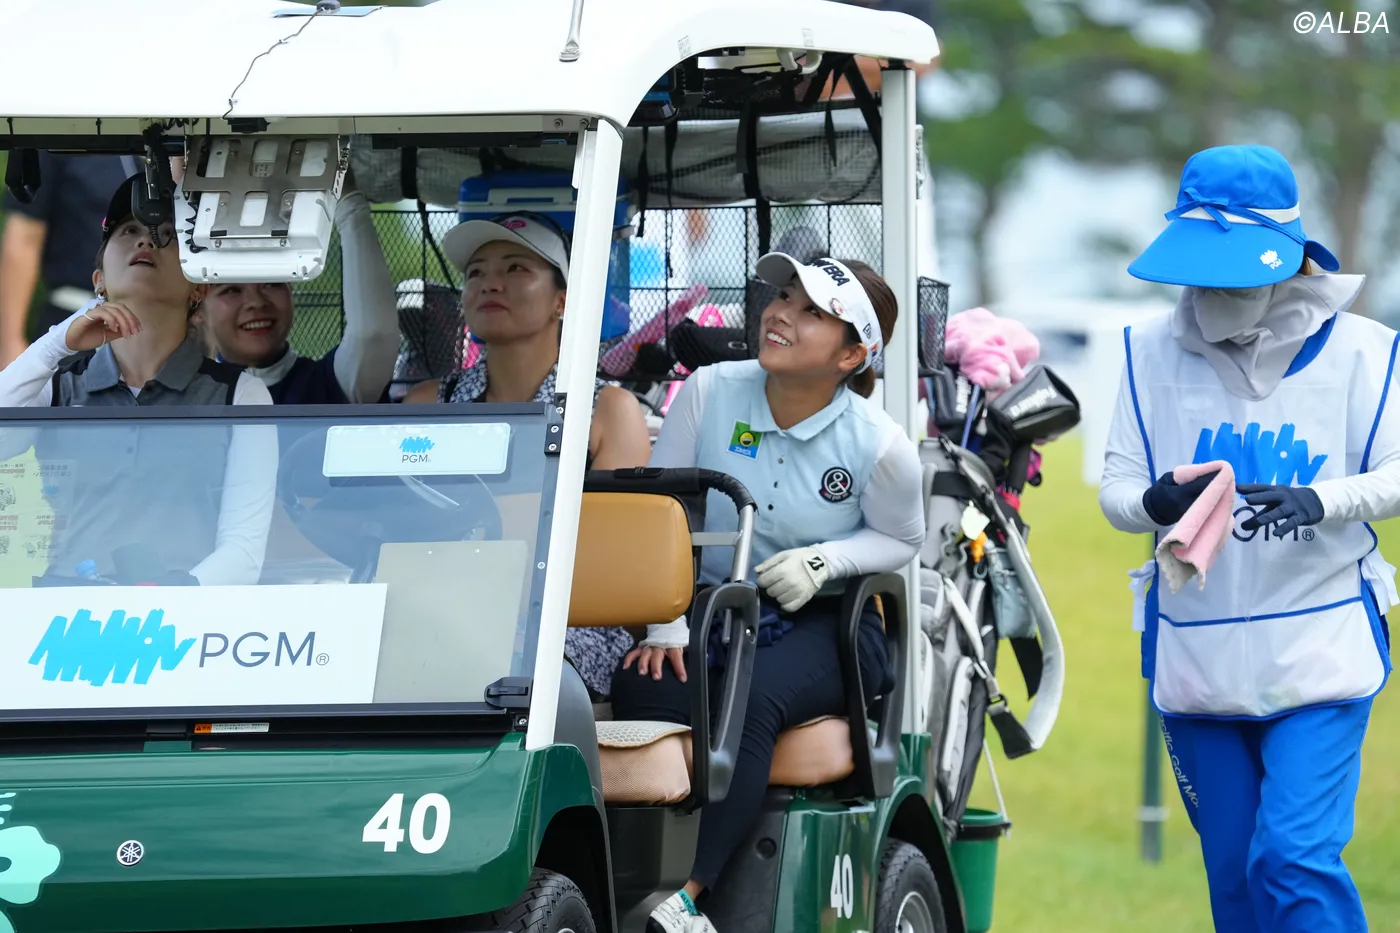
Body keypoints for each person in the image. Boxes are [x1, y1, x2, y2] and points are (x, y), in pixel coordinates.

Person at [1099, 144, 1397, 933]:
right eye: (1202, 276)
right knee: (1234, 878)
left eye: (1232, 278)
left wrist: (1321, 498)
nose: (1211, 296)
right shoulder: (1144, 351)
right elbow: (1117, 488)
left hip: (1321, 647)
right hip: (1197, 658)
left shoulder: (1367, 351)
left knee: (1292, 858)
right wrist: (1154, 501)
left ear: (1287, 261)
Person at [610, 254, 925, 933]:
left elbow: (902, 537)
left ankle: (687, 898)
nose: (780, 314)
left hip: (828, 621)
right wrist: (665, 625)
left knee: (749, 700)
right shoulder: (710, 390)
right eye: (783, 296)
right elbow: (665, 510)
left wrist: (824, 560)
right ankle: (627, 879)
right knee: (641, 684)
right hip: (716, 609)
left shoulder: (881, 445)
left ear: (851, 355)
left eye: (812, 312)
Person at [404, 212, 653, 698]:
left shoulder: (607, 410)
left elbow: (611, 562)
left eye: (516, 268)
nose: (490, 283)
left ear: (563, 300)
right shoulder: (427, 405)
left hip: (565, 627)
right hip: (439, 614)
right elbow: (401, 536)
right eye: (476, 272)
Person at [0, 173, 276, 585]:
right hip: (65, 615)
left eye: (168, 234)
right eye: (129, 230)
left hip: (185, 616)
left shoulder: (241, 394)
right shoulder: (55, 384)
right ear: (99, 280)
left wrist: (166, 600)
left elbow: (243, 552)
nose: (146, 241)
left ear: (198, 288)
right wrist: (57, 343)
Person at [189, 179, 398, 404]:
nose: (256, 302)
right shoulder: (188, 401)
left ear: (291, 288)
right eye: (231, 289)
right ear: (198, 307)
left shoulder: (332, 384)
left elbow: (373, 333)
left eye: (272, 283)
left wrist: (347, 202)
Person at [0, 152, 136, 366]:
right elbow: (24, 238)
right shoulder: (54, 142)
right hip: (69, 319)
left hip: (149, 329)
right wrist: (9, 342)